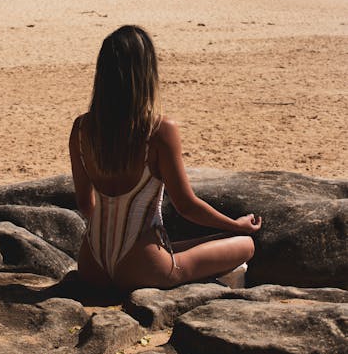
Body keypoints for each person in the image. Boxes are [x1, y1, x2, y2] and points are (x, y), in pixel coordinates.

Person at [69, 25, 261, 290]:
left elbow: (84, 202)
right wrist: (235, 225)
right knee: (244, 244)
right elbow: (186, 206)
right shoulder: (158, 131)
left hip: (92, 265)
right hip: (144, 268)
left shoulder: (82, 128)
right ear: (147, 72)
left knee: (204, 242)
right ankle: (226, 280)